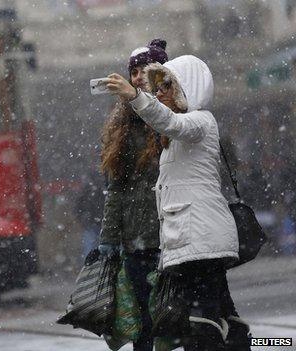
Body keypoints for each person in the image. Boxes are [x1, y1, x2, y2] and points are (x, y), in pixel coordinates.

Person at [106, 55, 250, 350]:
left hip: (200, 241)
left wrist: (135, 96)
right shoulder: (180, 132)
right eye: (156, 88)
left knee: (200, 323)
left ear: (186, 88)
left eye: (165, 86)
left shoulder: (199, 121)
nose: (159, 94)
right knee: (210, 317)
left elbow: (169, 122)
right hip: (190, 242)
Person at [97, 38, 168, 351]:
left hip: (172, 237)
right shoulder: (121, 127)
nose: (138, 77)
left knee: (178, 320)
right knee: (143, 327)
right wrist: (108, 240)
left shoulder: (175, 119)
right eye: (134, 71)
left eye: (145, 70)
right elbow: (116, 191)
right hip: (137, 241)